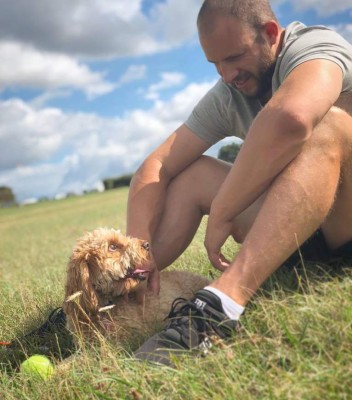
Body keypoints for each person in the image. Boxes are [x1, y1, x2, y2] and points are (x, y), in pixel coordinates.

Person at [127, 0, 352, 365]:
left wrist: (223, 209)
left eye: (234, 57)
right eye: (215, 64)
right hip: (301, 234)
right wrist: (137, 251)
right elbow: (157, 164)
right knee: (192, 174)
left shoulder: (315, 46)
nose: (226, 74)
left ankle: (220, 307)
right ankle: (119, 293)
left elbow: (292, 119)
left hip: (346, 219)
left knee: (332, 123)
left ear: (270, 34)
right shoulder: (231, 91)